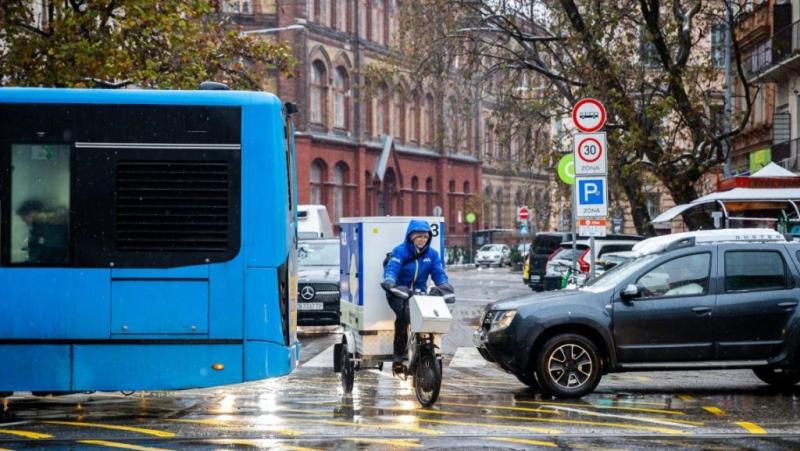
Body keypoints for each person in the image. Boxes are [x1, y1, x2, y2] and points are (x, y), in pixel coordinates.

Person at [381, 219, 451, 373]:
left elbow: (438, 273)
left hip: (419, 293)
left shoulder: (432, 254)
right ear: (411, 237)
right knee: (404, 317)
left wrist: (444, 285)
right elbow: (392, 269)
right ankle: (398, 356)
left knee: (429, 315)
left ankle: (424, 347)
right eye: (419, 237)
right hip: (398, 292)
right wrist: (390, 282)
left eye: (425, 237)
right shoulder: (400, 251)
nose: (422, 240)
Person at [15, 199, 69, 264]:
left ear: (32, 214)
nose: (25, 222)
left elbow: (52, 248)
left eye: (24, 218)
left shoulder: (47, 226)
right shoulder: (39, 227)